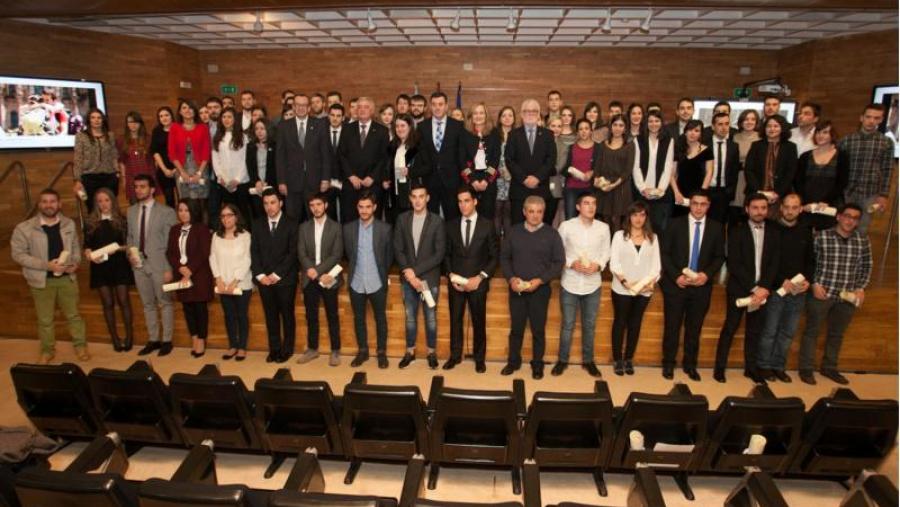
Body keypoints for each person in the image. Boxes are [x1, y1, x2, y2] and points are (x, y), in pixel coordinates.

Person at [12, 189, 89, 363]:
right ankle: (47, 351)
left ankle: (80, 346)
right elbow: (18, 255)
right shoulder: (24, 228)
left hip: (67, 279)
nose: (49, 205)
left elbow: (75, 249)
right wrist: (47, 265)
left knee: (74, 316)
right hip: (41, 281)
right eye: (45, 201)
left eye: (52, 201)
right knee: (45, 320)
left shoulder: (68, 224)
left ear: (59, 204)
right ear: (39, 205)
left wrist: (74, 264)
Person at [798, 203, 872, 385]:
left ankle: (829, 367)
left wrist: (860, 287)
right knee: (811, 332)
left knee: (837, 334)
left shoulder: (862, 240)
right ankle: (806, 368)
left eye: (855, 218)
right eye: (847, 216)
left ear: (858, 222)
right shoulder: (821, 237)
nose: (850, 220)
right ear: (838, 217)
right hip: (822, 292)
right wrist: (814, 283)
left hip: (847, 296)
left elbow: (866, 266)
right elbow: (810, 262)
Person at [713, 193, 780, 384]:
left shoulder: (774, 232)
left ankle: (751, 369)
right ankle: (720, 368)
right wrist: (753, 287)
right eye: (755, 208)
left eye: (763, 208)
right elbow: (734, 262)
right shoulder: (736, 231)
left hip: (763, 292)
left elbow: (774, 263)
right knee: (730, 328)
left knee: (754, 331)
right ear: (747, 209)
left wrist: (764, 287)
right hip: (740, 288)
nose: (759, 212)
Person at [659, 190, 725, 381]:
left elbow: (719, 256)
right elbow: (665, 253)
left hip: (701, 287)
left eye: (703, 204)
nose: (698, 207)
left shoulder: (716, 228)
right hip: (676, 286)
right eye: (695, 203)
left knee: (694, 329)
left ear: (708, 206)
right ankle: (668, 364)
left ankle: (690, 365)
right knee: (672, 327)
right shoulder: (674, 224)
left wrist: (706, 275)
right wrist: (676, 276)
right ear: (690, 204)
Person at [500, 196, 565, 379]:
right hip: (517, 289)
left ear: (544, 213)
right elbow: (504, 258)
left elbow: (559, 262)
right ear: (524, 212)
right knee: (516, 329)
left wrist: (541, 280)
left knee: (538, 329)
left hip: (540, 290)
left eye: (539, 212)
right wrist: (511, 279)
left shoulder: (552, 234)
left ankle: (537, 364)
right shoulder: (513, 232)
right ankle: (513, 362)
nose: (535, 215)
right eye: (531, 211)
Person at [756, 194, 813, 382]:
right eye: (787, 207)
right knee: (770, 331)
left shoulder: (805, 230)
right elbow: (767, 261)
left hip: (798, 290)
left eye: (794, 207)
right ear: (781, 208)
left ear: (800, 208)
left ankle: (778, 366)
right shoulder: (771, 229)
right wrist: (782, 281)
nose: (790, 211)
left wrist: (807, 280)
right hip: (776, 289)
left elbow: (810, 260)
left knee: (788, 333)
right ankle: (764, 366)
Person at [444, 186, 499, 372]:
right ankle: (454, 356)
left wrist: (481, 277)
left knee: (478, 321)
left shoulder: (487, 224)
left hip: (478, 283)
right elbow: (446, 255)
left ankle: (479, 358)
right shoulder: (450, 225)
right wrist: (451, 276)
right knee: (455, 320)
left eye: (466, 200)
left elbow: (494, 256)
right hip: (456, 283)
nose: (463, 205)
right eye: (459, 201)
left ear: (475, 201)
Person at [554, 193, 609, 377]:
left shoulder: (603, 228)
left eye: (594, 203)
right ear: (578, 207)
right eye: (586, 203)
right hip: (570, 282)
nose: (591, 207)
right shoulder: (566, 226)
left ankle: (588, 361)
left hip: (593, 284)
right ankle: (562, 360)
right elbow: (558, 252)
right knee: (567, 325)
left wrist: (598, 265)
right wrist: (571, 263)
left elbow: (605, 253)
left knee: (590, 325)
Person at [394, 184, 445, 369]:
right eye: (414, 196)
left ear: (428, 198)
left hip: (429, 279)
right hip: (408, 279)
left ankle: (431, 353)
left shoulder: (437, 221)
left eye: (421, 196)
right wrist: (409, 273)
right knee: (410, 318)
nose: (417, 200)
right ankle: (410, 352)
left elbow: (439, 254)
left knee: (430, 318)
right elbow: (398, 249)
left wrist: (415, 272)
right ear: (410, 198)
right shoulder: (402, 219)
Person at [127, 175, 178, 356]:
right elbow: (130, 238)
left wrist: (169, 268)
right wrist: (130, 255)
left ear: (152, 189)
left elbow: (172, 244)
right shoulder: (131, 211)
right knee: (147, 304)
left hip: (160, 265)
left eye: (142, 186)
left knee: (164, 303)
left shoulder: (167, 212)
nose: (138, 189)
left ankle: (167, 340)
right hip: (139, 265)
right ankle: (153, 339)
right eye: (136, 186)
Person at [609, 201, 661, 376]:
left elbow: (656, 266)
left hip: (644, 290)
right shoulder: (619, 236)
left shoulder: (653, 238)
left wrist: (648, 284)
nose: (638, 219)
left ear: (646, 217)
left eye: (642, 215)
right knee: (620, 322)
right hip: (622, 288)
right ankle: (617, 359)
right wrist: (626, 283)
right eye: (635, 214)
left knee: (635, 324)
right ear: (629, 217)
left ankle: (628, 358)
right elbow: (614, 263)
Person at [343, 191, 393, 368]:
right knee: (359, 319)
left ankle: (381, 352)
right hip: (356, 282)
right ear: (357, 207)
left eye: (368, 207)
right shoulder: (348, 229)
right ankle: (362, 351)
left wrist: (381, 273)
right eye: (361, 207)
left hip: (377, 281)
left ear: (375, 208)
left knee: (381, 318)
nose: (364, 211)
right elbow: (348, 255)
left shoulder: (385, 229)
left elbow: (388, 257)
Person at [83, 188, 134, 352]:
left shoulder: (122, 220)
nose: (103, 204)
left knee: (124, 301)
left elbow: (129, 244)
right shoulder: (90, 222)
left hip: (119, 264)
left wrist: (117, 249)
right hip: (100, 267)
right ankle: (115, 339)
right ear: (96, 203)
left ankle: (129, 336)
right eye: (100, 201)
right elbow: (87, 246)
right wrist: (88, 253)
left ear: (112, 201)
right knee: (107, 303)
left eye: (107, 200)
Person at [251, 188, 299, 363]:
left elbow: (293, 253)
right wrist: (261, 275)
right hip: (264, 280)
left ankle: (287, 349)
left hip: (285, 279)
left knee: (287, 315)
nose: (269, 207)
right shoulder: (257, 224)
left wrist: (277, 274)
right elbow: (254, 252)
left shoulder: (292, 223)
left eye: (272, 202)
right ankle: (274, 349)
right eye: (265, 203)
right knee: (270, 316)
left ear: (281, 203)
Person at [296, 193, 344, 366]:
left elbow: (336, 254)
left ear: (325, 205)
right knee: (311, 316)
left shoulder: (336, 227)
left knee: (332, 315)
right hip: (309, 278)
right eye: (312, 205)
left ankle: (335, 351)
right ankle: (312, 349)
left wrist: (319, 271)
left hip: (328, 276)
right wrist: (311, 270)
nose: (315, 208)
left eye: (318, 204)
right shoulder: (303, 227)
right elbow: (301, 252)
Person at [166, 198, 213, 358]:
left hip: (199, 275)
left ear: (193, 211)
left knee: (200, 309)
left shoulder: (202, 229)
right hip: (181, 274)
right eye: (180, 210)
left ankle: (201, 339)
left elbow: (204, 253)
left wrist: (190, 270)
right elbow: (170, 253)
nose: (183, 214)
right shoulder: (174, 229)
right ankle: (193, 337)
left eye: (186, 210)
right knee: (187, 308)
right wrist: (180, 268)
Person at [838, 103, 894, 235]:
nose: (871, 121)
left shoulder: (886, 142)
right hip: (847, 191)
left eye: (876, 118)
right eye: (868, 117)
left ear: (880, 120)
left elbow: (887, 170)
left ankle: (856, 255)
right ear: (861, 118)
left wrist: (883, 195)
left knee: (862, 228)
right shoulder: (846, 141)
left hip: (870, 193)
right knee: (842, 226)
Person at [275, 94, 331, 221]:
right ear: (293, 107)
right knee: (293, 219)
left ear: (309, 107)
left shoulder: (320, 125)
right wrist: (281, 181)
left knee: (315, 219)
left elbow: (325, 154)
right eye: (298, 105)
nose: (301, 108)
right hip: (291, 183)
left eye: (304, 105)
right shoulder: (283, 126)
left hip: (314, 182)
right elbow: (280, 156)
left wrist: (325, 179)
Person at [210, 203, 252, 362]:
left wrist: (235, 281)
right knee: (229, 316)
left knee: (241, 315)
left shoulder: (245, 235)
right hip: (222, 284)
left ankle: (242, 347)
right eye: (223, 216)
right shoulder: (216, 236)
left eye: (229, 215)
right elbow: (212, 258)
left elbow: (247, 259)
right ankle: (232, 345)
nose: (226, 219)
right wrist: (218, 279)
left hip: (241, 283)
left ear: (236, 217)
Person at [338, 97, 390, 223]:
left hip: (372, 185)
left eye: (366, 107)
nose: (362, 109)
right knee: (349, 221)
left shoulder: (382, 131)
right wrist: (351, 176)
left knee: (372, 222)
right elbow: (341, 155)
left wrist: (372, 177)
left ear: (372, 110)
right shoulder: (347, 129)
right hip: (351, 185)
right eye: (359, 107)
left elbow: (384, 158)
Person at [505, 99, 556, 225]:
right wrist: (524, 179)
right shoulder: (513, 135)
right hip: (519, 190)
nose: (530, 113)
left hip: (541, 189)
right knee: (518, 229)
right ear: (521, 114)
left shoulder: (548, 134)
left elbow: (551, 160)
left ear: (539, 114)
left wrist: (537, 178)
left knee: (541, 230)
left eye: (534, 111)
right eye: (527, 111)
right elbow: (509, 160)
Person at [417, 91, 466, 221]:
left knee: (453, 219)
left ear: (446, 106)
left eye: (440, 104)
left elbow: (461, 156)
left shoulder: (457, 126)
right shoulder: (422, 127)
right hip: (430, 181)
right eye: (434, 104)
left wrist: (463, 182)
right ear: (430, 107)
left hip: (452, 182)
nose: (437, 107)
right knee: (430, 220)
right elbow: (418, 153)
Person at [795, 120, 849, 231]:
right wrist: (805, 201)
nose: (820, 135)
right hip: (807, 205)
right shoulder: (805, 156)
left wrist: (826, 201)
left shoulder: (842, 156)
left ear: (832, 135)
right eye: (818, 132)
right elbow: (798, 181)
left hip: (830, 205)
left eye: (825, 132)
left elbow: (842, 182)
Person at [744, 115, 798, 213]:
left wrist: (777, 193)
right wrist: (759, 192)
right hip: (756, 193)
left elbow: (791, 172)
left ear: (782, 128)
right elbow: (749, 170)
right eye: (769, 126)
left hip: (780, 195)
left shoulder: (790, 147)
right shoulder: (756, 145)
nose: (772, 129)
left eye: (776, 126)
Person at [632, 110, 674, 233]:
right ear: (646, 123)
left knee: (658, 227)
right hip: (642, 192)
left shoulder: (668, 140)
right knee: (641, 226)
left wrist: (661, 189)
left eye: (657, 121)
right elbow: (636, 166)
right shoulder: (638, 140)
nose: (653, 124)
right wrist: (642, 188)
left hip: (660, 192)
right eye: (650, 121)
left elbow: (668, 166)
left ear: (661, 123)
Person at [168, 99, 212, 214]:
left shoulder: (203, 127)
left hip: (200, 168)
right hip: (182, 168)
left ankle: (202, 229)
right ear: (180, 112)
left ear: (195, 111)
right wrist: (182, 172)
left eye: (190, 107)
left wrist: (199, 173)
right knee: (186, 203)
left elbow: (206, 152)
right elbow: (172, 153)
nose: (188, 110)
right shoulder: (174, 127)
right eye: (184, 108)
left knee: (201, 203)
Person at [593, 114, 634, 232]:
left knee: (618, 223)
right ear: (610, 127)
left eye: (621, 125)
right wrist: (597, 180)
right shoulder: (602, 145)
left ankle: (617, 249)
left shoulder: (629, 146)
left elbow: (628, 170)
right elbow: (597, 167)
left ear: (625, 128)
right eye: (615, 125)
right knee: (604, 222)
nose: (617, 128)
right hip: (604, 188)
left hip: (621, 188)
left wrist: (614, 185)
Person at [212, 107, 252, 224]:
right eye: (224, 117)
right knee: (230, 213)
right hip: (225, 182)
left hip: (241, 181)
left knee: (243, 212)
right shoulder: (217, 138)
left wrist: (238, 179)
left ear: (235, 119)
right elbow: (216, 160)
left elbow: (246, 160)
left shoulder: (243, 137)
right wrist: (220, 177)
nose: (226, 119)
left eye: (229, 117)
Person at [73, 108, 118, 211]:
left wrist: (117, 172)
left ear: (103, 120)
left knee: (110, 208)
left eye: (99, 118)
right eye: (93, 117)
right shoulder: (81, 136)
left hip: (109, 176)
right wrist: (77, 180)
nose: (96, 120)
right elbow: (78, 158)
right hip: (89, 178)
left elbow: (114, 155)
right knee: (92, 207)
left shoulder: (110, 136)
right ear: (89, 120)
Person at [461, 102, 500, 219]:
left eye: (481, 113)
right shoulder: (464, 133)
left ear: (486, 115)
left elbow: (495, 159)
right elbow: (461, 160)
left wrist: (486, 180)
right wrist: (472, 180)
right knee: (470, 216)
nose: (478, 116)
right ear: (471, 116)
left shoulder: (494, 132)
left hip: (488, 179)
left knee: (488, 216)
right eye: (475, 113)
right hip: (470, 179)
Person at [671, 120, 713, 217]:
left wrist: (702, 193)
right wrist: (676, 192)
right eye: (690, 130)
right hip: (680, 192)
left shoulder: (707, 150)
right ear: (685, 132)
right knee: (679, 221)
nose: (693, 133)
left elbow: (709, 172)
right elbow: (672, 174)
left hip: (699, 191)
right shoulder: (678, 149)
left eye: (696, 130)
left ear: (701, 134)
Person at [388, 114, 424, 223]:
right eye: (397, 126)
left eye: (403, 126)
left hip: (411, 190)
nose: (399, 129)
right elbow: (388, 167)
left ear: (410, 127)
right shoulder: (392, 145)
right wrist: (387, 179)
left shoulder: (418, 145)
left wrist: (410, 171)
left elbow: (428, 167)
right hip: (395, 191)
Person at [707, 112, 741, 225]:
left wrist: (730, 192)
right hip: (706, 189)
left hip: (723, 192)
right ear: (713, 126)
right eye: (720, 124)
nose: (723, 127)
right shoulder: (703, 144)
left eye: (726, 124)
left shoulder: (733, 146)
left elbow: (734, 171)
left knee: (719, 225)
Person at [563, 119, 601, 219]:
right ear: (577, 132)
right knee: (570, 219)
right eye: (581, 129)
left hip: (590, 188)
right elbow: (564, 169)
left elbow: (601, 166)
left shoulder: (598, 147)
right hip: (572, 188)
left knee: (589, 219)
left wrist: (593, 172)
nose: (584, 131)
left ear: (591, 131)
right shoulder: (572, 147)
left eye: (586, 128)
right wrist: (573, 172)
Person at [730, 109, 762, 225]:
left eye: (752, 119)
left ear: (757, 122)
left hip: (753, 179)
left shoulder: (761, 138)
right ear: (741, 121)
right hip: (737, 177)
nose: (749, 122)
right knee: (734, 212)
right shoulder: (735, 137)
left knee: (749, 211)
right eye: (746, 119)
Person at [118, 111, 156, 204]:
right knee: (134, 204)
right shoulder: (121, 140)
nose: (133, 125)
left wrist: (154, 175)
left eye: (135, 122)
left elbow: (154, 158)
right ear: (127, 124)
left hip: (147, 175)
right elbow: (122, 161)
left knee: (148, 203)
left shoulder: (148, 138)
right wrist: (124, 179)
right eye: (130, 122)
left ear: (140, 124)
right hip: (131, 177)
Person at [246, 118, 278, 220]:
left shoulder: (275, 145)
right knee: (259, 215)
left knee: (273, 214)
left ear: (268, 129)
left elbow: (275, 166)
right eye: (256, 129)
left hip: (271, 185)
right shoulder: (250, 146)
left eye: (262, 128)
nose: (259, 131)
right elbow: (250, 167)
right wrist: (257, 181)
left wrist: (266, 182)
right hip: (256, 187)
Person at [494, 106, 516, 236]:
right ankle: (497, 248)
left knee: (508, 213)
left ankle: (507, 246)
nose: (507, 118)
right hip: (496, 179)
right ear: (500, 119)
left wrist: (511, 172)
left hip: (513, 179)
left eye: (510, 115)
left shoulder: (519, 134)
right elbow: (488, 157)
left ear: (514, 119)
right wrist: (498, 171)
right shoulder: (494, 135)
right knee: (497, 212)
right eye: (504, 115)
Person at [150, 106, 178, 208]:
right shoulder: (156, 131)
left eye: (166, 115)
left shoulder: (178, 129)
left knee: (184, 199)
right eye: (161, 116)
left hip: (180, 168)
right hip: (164, 169)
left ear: (171, 116)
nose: (164, 118)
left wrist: (177, 169)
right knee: (169, 199)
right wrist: (165, 169)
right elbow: (155, 152)